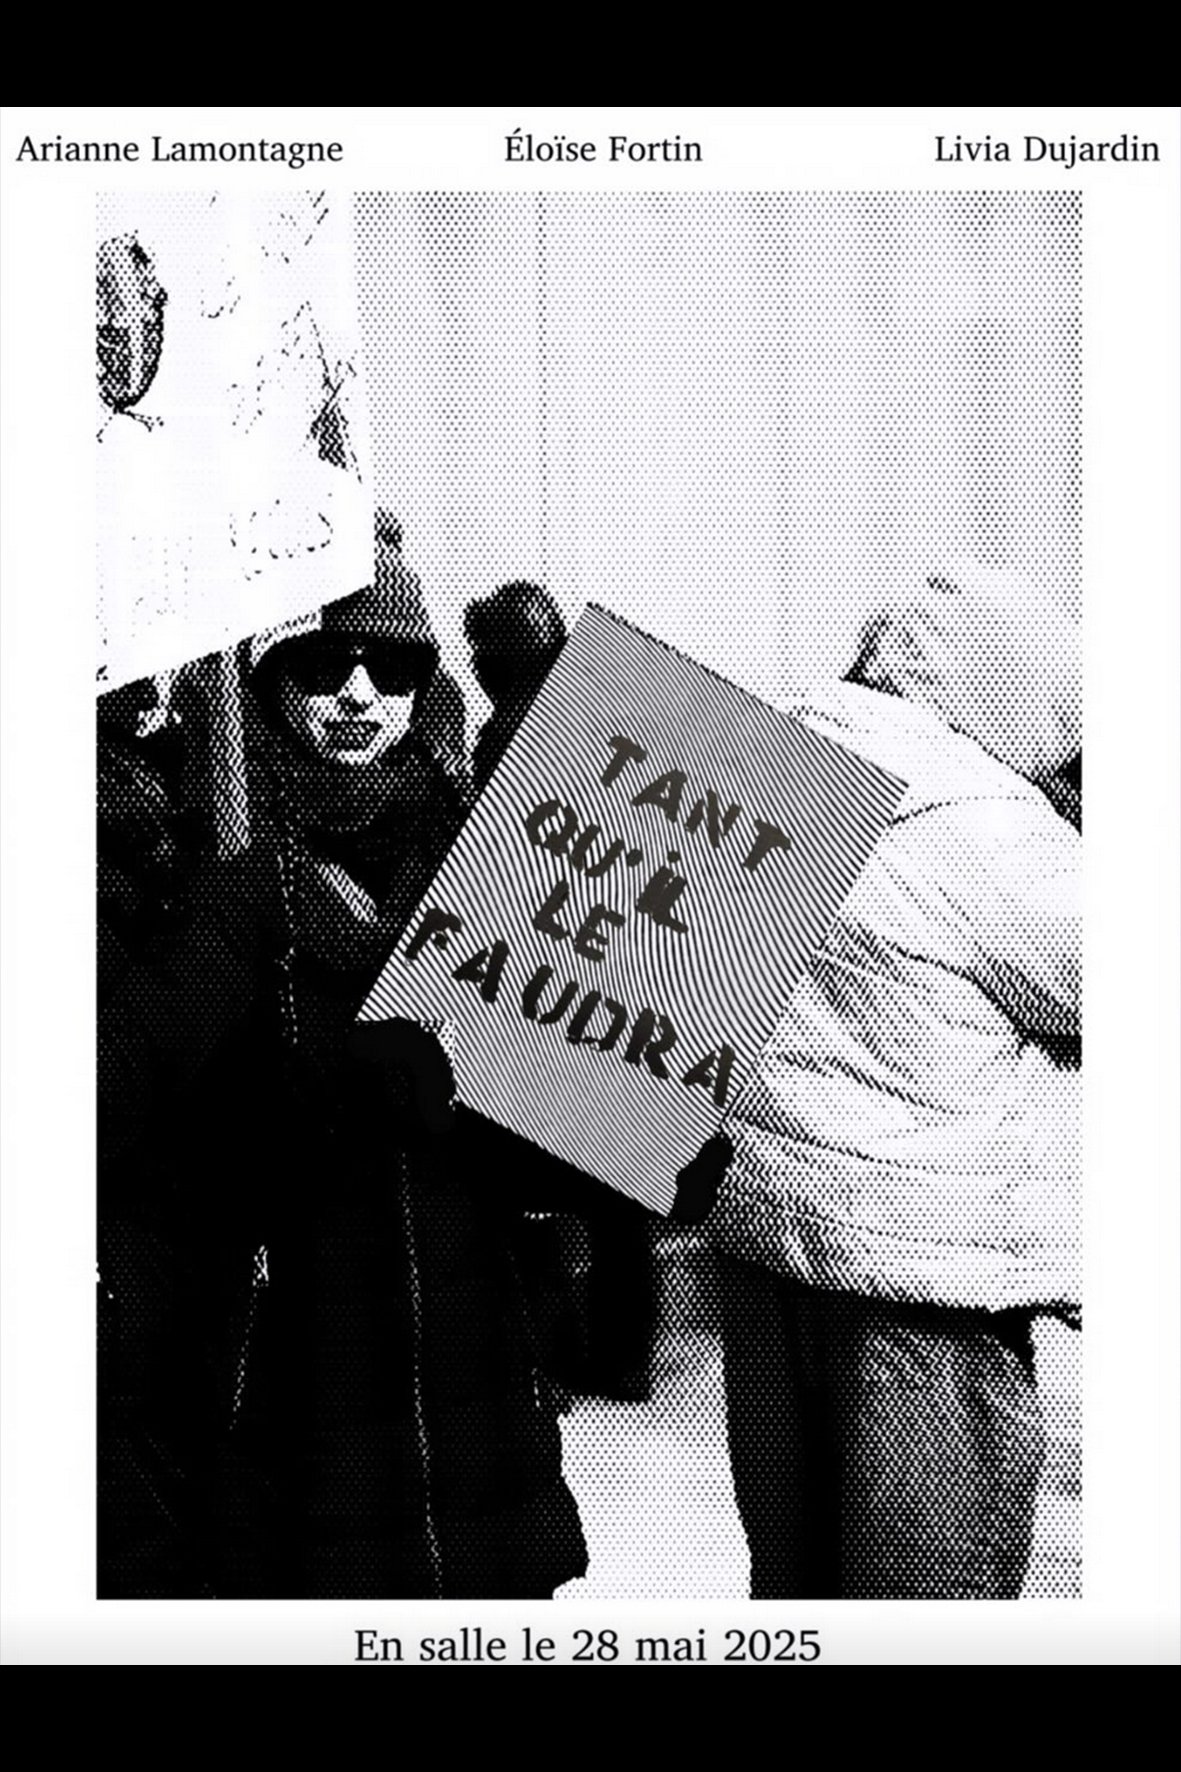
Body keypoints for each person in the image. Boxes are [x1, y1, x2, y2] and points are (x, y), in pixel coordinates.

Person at [97, 523, 587, 1599]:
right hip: (304, 1395)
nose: (362, 695)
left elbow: (527, 1121)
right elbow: (109, 1110)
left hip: (478, 1403)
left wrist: (630, 1144)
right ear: (268, 684)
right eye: (325, 666)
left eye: (394, 669)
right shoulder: (225, 880)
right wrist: (329, 1084)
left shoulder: (490, 856)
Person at [709, 562, 1081, 1600]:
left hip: (760, 1257)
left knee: (793, 1585)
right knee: (927, 1603)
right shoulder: (993, 829)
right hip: (922, 1304)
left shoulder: (743, 760)